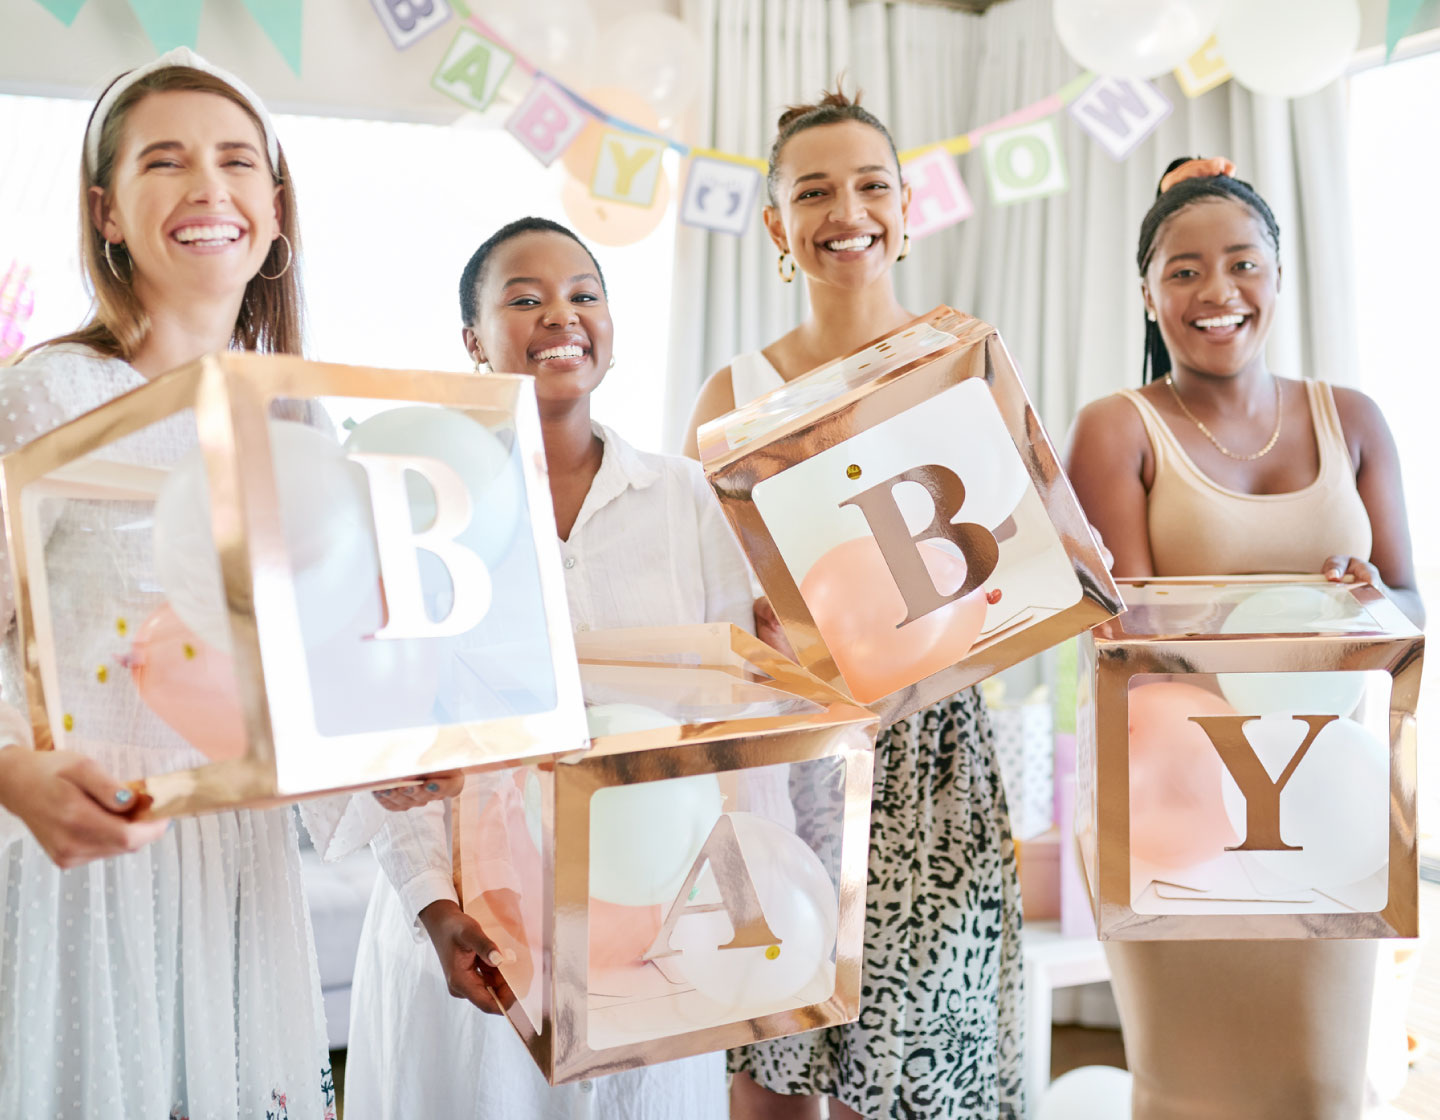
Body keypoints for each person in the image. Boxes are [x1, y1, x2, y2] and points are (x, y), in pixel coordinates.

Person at [343, 216, 754, 1119]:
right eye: (523, 299)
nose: (559, 316)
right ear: (472, 342)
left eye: (583, 295)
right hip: (477, 930)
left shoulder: (686, 496)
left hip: (653, 926)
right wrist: (433, 906)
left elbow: (736, 712)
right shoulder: (416, 507)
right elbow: (386, 729)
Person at [0, 48, 339, 1118]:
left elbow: (317, 660)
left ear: (275, 211)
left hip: (238, 858)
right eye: (166, 161)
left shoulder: (299, 421)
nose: (209, 186)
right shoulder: (46, 395)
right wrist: (14, 774)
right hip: (85, 861)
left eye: (239, 161)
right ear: (106, 211)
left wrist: (399, 755)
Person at [685, 88, 1024, 1120]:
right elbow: (713, 597)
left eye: (873, 184)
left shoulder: (964, 358)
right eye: (815, 190)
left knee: (920, 1072)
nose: (850, 210)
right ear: (777, 222)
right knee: (774, 1064)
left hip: (932, 753)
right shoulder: (733, 392)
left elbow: (1020, 564)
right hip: (786, 760)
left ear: (908, 208)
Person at [1064, 156, 1424, 1119]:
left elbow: (1412, 609)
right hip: (1175, 807)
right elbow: (1129, 649)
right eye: (1182, 270)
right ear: (1146, 294)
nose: (1216, 292)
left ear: (1278, 274)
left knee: (1323, 1091)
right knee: (1186, 1092)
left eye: (1242, 264)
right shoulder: (1117, 429)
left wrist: (1367, 602)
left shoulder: (1352, 418)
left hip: (1329, 803)